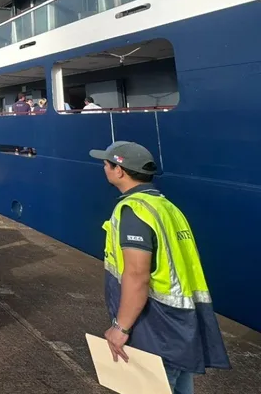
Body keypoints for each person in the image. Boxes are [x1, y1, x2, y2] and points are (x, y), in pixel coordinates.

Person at [89, 141, 230, 393]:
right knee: (178, 385)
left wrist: (120, 328)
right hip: (181, 323)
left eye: (106, 163)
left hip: (155, 324)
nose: (104, 167)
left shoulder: (133, 212)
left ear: (119, 170)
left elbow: (136, 274)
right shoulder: (167, 207)